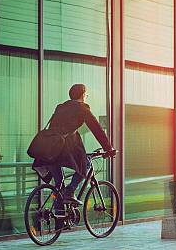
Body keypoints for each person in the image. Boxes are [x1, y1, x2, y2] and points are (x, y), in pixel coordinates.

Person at [33, 84, 115, 212]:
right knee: (86, 165)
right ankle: (71, 191)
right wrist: (108, 148)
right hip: (65, 148)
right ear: (83, 95)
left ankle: (60, 220)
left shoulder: (60, 107)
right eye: (86, 95)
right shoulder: (82, 108)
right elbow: (96, 128)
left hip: (50, 150)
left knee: (59, 184)